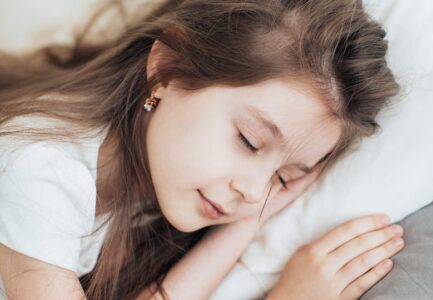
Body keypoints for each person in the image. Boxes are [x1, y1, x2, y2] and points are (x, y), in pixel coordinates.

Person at [0, 0, 402, 299]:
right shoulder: (38, 171)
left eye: (284, 177)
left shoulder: (150, 188)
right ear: (167, 70)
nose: (255, 192)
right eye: (249, 141)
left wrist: (245, 225)